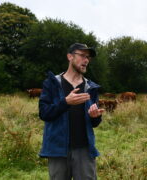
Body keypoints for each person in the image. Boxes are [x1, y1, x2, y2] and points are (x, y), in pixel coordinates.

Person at [39, 43, 105, 180]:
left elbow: (94, 123)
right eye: (82, 56)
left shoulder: (90, 87)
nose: (86, 60)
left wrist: (95, 117)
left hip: (84, 150)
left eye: (88, 57)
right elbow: (44, 113)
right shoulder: (52, 83)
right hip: (58, 150)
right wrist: (65, 102)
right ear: (70, 56)